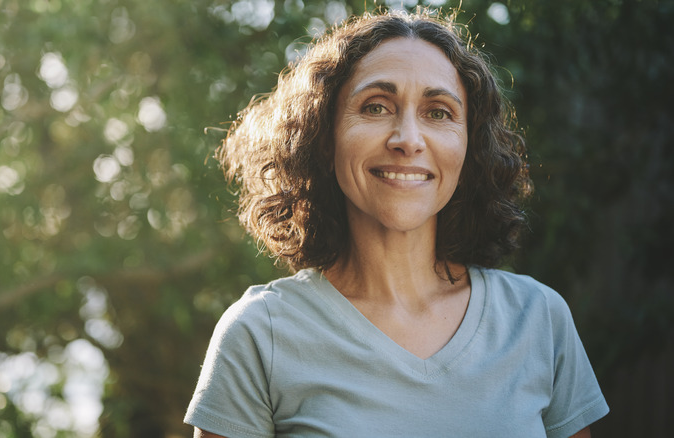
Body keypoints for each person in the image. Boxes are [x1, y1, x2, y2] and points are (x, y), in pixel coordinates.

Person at [185, 9, 609, 438]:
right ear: (324, 136)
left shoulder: (538, 320)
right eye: (376, 107)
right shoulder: (260, 334)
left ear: (469, 147)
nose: (408, 139)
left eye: (438, 112)